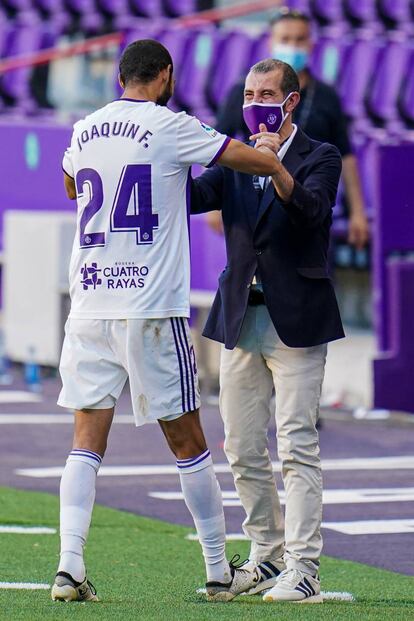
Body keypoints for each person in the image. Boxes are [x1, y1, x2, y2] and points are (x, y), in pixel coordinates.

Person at [51, 38, 281, 604]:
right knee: (188, 441)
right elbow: (241, 159)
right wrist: (272, 153)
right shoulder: (169, 124)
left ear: (120, 78)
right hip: (150, 306)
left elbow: (70, 183)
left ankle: (69, 567)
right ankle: (216, 569)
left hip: (91, 303)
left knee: (86, 438)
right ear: (166, 75)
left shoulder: (86, 128)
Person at [190, 58, 345, 603]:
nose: (254, 99)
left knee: (297, 445)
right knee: (242, 446)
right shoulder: (233, 156)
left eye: (266, 92)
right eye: (249, 90)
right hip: (241, 315)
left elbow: (311, 212)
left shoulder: (319, 154)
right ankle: (265, 554)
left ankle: (304, 569)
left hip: (297, 318)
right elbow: (194, 197)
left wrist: (274, 165)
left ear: (290, 100)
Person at [214, 9, 369, 250]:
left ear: (312, 44)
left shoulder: (327, 96)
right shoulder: (243, 94)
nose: (293, 46)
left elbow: (346, 155)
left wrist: (358, 212)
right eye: (285, 39)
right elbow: (221, 144)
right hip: (256, 202)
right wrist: (215, 205)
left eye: (300, 39)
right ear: (271, 42)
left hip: (309, 200)